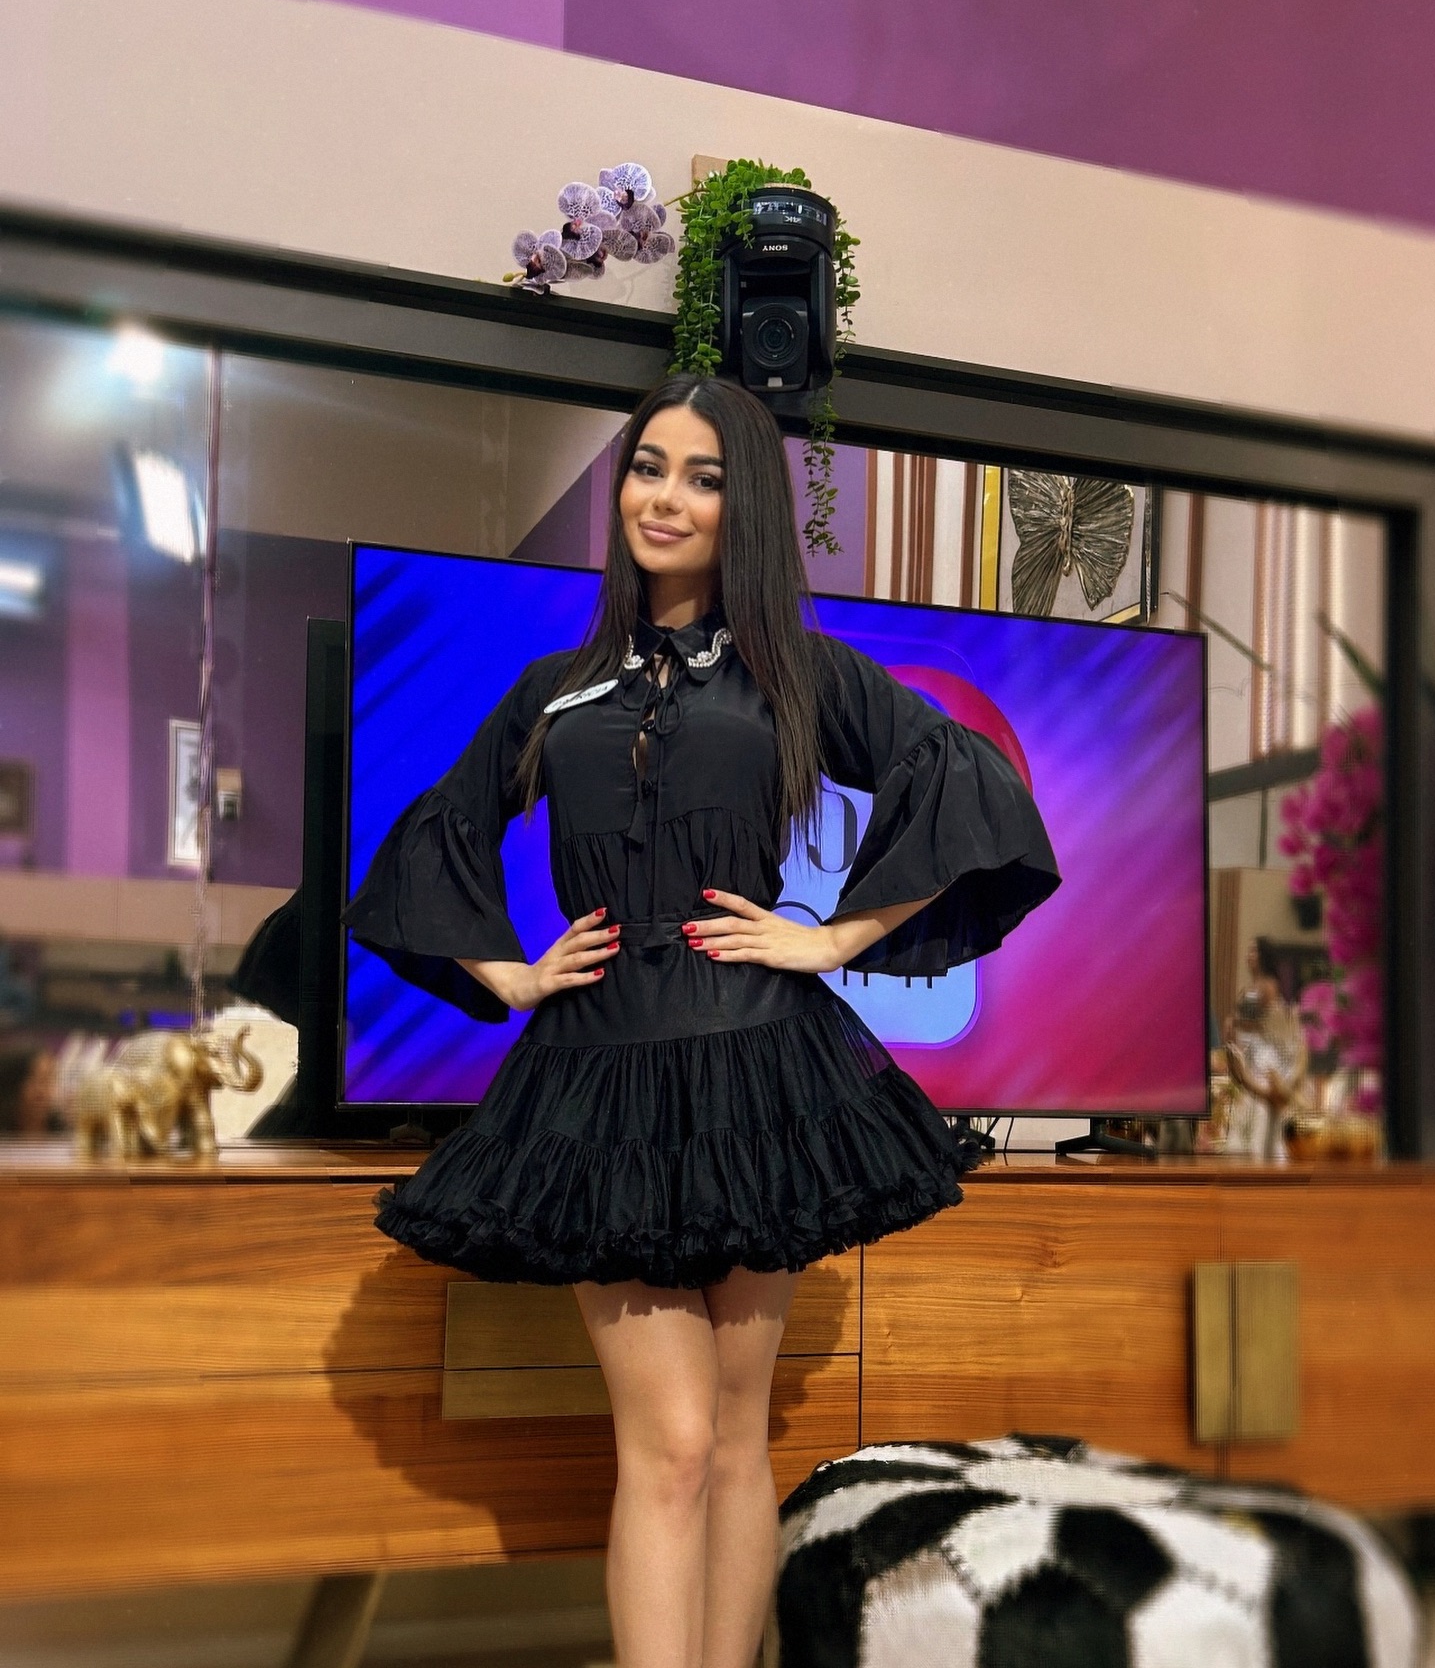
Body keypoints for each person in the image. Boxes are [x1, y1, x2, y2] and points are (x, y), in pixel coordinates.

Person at [344, 374, 1060, 1668]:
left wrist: (832, 938)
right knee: (669, 1441)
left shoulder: (799, 675)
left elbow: (959, 773)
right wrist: (510, 975)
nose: (665, 497)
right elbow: (440, 829)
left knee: (735, 1433)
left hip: (763, 1071)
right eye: (649, 467)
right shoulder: (552, 689)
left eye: (704, 476)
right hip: (597, 1079)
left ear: (747, 511)